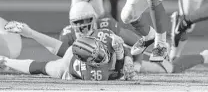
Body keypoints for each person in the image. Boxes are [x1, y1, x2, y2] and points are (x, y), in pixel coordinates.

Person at [2, 19, 208, 77]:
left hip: (121, 62)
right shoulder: (69, 63)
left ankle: (203, 56)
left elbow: (130, 48)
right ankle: (3, 61)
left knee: (166, 68)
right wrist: (29, 34)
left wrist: (129, 60)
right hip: (108, 68)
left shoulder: (108, 36)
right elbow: (46, 61)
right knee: (50, 68)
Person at [1, 26, 135, 80]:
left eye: (101, 52)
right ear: (89, 62)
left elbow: (122, 48)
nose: (103, 57)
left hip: (77, 50)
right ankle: (4, 61)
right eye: (99, 58)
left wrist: (126, 57)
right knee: (44, 67)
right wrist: (122, 56)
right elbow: (117, 73)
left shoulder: (104, 35)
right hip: (69, 69)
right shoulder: (91, 72)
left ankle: (30, 32)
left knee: (63, 48)